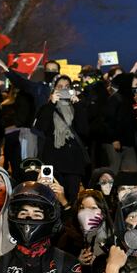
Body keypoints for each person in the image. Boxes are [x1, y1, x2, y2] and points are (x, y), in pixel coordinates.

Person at [34, 74, 90, 202]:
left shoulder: (78, 107)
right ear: (54, 89)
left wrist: (78, 105)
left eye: (67, 87)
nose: (64, 90)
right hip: (52, 161)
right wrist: (51, 104)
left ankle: (69, 221)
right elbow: (41, 127)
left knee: (71, 198)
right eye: (60, 87)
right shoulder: (47, 107)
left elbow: (84, 131)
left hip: (73, 163)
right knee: (50, 198)